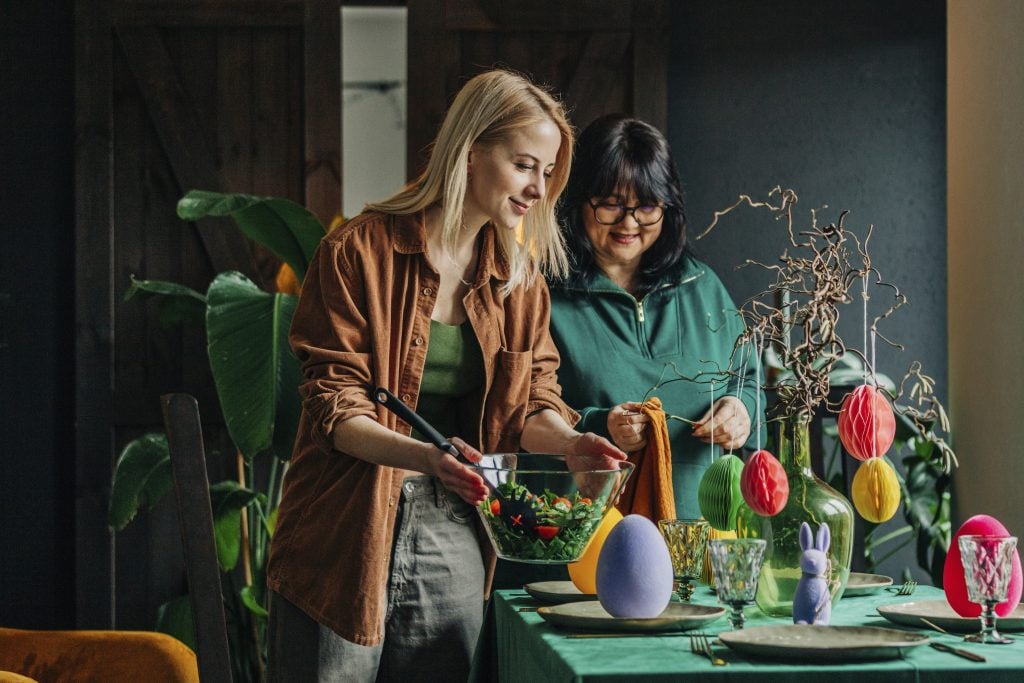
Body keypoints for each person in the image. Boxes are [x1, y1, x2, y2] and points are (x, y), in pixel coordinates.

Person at [265, 70, 626, 682]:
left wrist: (569, 444)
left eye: (547, 172)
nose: (539, 188)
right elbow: (336, 406)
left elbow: (528, 403)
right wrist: (425, 457)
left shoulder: (520, 281)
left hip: (455, 522)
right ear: (471, 149)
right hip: (343, 526)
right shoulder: (356, 253)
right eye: (524, 165)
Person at [547, 113, 764, 521]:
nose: (629, 223)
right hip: (584, 544)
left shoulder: (702, 286)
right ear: (577, 200)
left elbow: (749, 380)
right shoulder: (543, 297)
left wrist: (742, 409)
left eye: (646, 205)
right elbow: (516, 414)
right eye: (610, 204)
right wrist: (599, 426)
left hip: (705, 538)